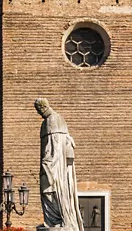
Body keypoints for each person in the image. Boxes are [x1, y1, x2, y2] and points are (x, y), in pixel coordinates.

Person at [36, 98, 83, 230]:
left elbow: (54, 146)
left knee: (50, 189)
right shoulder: (53, 120)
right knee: (48, 191)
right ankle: (52, 220)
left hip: (54, 165)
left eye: (39, 110)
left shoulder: (53, 121)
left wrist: (47, 163)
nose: (39, 114)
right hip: (52, 163)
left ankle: (57, 219)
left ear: (43, 107)